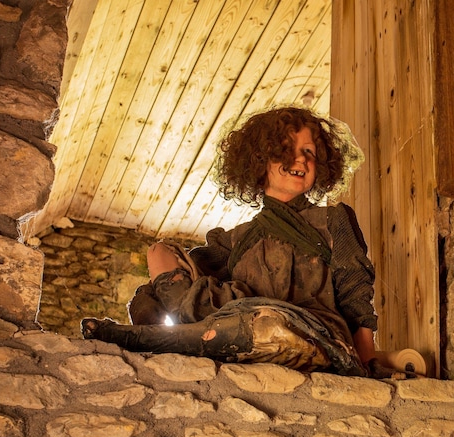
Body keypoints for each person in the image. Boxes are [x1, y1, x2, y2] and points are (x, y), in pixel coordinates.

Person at [82, 107, 399, 378]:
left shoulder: (334, 219)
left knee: (265, 324)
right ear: (259, 161)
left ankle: (153, 339)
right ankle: (167, 336)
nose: (300, 159)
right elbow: (183, 282)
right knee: (157, 268)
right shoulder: (232, 240)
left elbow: (355, 289)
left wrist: (365, 359)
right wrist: (158, 273)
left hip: (314, 334)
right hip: (239, 321)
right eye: (286, 149)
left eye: (310, 152)